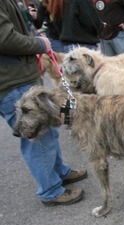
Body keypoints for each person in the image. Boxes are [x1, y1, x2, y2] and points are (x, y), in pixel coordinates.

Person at [0, 0, 87, 206]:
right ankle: (50, 190)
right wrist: (40, 44)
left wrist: (34, 37)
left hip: (20, 77)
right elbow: (5, 38)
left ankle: (59, 173)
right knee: (35, 136)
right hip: (12, 81)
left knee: (48, 131)